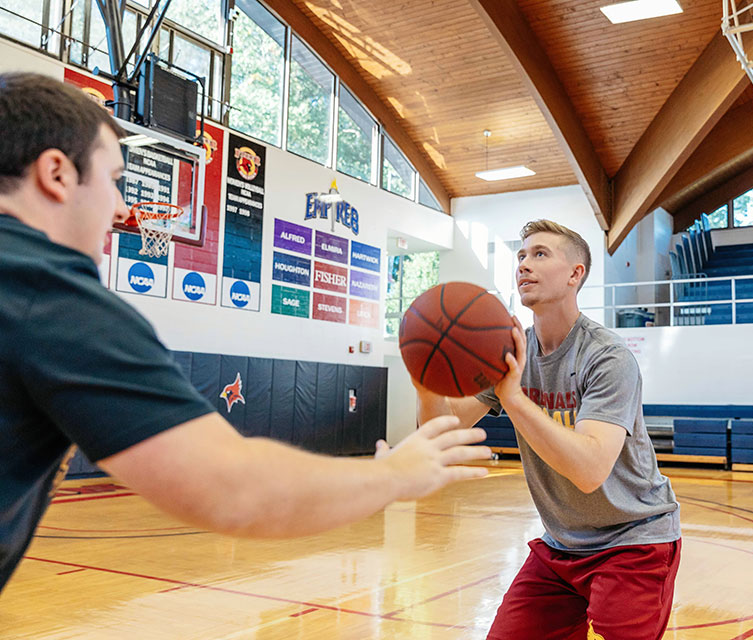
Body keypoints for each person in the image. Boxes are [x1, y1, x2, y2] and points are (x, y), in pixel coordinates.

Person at [0, 72, 490, 593]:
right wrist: (397, 475)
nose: (122, 210)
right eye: (114, 179)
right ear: (56, 173)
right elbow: (231, 489)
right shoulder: (50, 295)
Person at [415, 219, 682, 639]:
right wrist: (427, 382)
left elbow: (590, 469)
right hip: (561, 544)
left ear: (576, 273)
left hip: (633, 541)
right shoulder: (507, 351)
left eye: (540, 254)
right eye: (521, 256)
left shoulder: (607, 356)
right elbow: (439, 433)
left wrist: (514, 397)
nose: (524, 264)